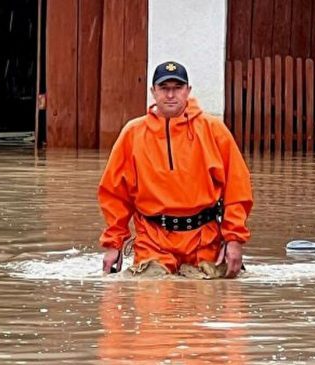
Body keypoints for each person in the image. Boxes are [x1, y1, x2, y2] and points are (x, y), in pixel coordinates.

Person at [98, 61, 253, 278]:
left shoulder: (214, 130)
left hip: (205, 243)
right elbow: (115, 194)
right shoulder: (132, 134)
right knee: (152, 301)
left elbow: (237, 189)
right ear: (153, 92)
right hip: (153, 243)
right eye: (164, 88)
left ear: (188, 91)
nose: (171, 95)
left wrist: (234, 240)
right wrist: (113, 244)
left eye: (177, 88)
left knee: (212, 301)